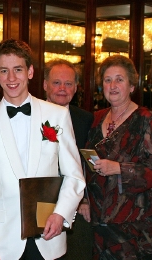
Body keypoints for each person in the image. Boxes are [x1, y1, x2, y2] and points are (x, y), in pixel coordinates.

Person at [0, 39, 86, 260]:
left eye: (18, 70)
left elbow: (74, 176)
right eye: (4, 71)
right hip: (3, 243)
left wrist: (61, 214)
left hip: (49, 236)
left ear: (30, 71)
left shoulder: (57, 115)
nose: (11, 78)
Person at [79, 55, 152, 259]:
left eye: (119, 79)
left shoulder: (145, 120)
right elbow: (84, 164)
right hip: (97, 222)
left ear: (131, 85)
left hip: (132, 227)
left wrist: (119, 168)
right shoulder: (95, 118)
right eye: (107, 80)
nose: (112, 85)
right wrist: (83, 200)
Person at [43, 59, 94, 260]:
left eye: (68, 84)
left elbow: (88, 162)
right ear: (45, 85)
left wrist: (84, 199)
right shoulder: (32, 115)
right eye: (56, 83)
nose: (62, 88)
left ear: (76, 88)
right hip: (39, 205)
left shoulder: (86, 119)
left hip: (77, 209)